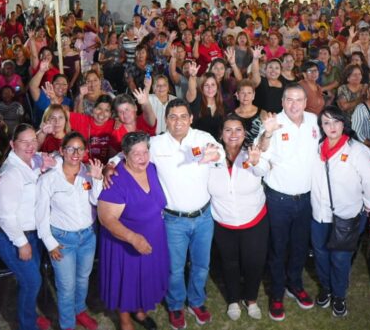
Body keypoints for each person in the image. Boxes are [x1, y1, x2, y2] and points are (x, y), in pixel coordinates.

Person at [115, 99, 223, 329]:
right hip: (173, 220)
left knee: (201, 264)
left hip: (204, 217)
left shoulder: (203, 138)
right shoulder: (156, 143)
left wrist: (214, 155)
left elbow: (220, 154)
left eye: (183, 116)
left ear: (191, 118)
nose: (178, 121)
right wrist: (108, 167)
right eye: (173, 117)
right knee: (174, 268)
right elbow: (129, 154)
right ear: (166, 119)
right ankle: (175, 306)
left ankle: (196, 301)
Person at [254, 84, 321, 321]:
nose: (294, 105)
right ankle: (276, 294)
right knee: (278, 248)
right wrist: (268, 134)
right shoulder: (272, 124)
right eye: (289, 100)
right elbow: (259, 154)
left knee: (301, 247)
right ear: (282, 102)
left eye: (299, 100)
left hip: (306, 199)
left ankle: (295, 284)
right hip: (278, 199)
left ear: (305, 102)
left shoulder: (314, 121)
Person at [311, 106, 370, 318]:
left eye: (336, 121)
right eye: (326, 122)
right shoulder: (316, 148)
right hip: (319, 214)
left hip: (347, 215)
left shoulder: (357, 149)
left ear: (344, 123)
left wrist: (368, 206)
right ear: (321, 127)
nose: (331, 127)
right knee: (321, 254)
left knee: (340, 258)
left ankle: (339, 295)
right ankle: (326, 287)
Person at [98, 131, 169, 330]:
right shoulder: (116, 180)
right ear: (125, 154)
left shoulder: (153, 169)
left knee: (145, 278)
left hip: (154, 236)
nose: (142, 157)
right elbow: (106, 218)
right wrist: (133, 238)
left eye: (145, 152)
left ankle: (139, 310)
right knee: (125, 282)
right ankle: (125, 321)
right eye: (136, 153)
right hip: (124, 244)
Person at [36, 132, 103, 330]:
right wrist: (50, 243)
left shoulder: (87, 172)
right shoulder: (48, 179)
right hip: (62, 239)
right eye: (70, 148)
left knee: (83, 279)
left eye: (80, 149)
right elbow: (41, 215)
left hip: (88, 236)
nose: (75, 153)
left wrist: (97, 179)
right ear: (61, 151)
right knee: (66, 286)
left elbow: (97, 202)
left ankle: (80, 310)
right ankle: (67, 324)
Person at [0, 124, 55, 330]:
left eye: (33, 141)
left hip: (33, 233)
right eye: (24, 142)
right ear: (12, 144)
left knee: (31, 280)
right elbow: (5, 216)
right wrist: (21, 243)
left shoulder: (32, 161)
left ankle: (29, 314)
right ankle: (28, 325)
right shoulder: (11, 173)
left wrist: (47, 165)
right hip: (14, 238)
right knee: (32, 282)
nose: (30, 146)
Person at [208, 115, 268, 321]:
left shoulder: (253, 153)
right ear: (221, 134)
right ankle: (233, 299)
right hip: (224, 223)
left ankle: (251, 299)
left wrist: (255, 162)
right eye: (228, 130)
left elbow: (264, 169)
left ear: (245, 133)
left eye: (238, 130)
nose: (233, 134)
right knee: (229, 262)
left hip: (254, 221)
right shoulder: (211, 156)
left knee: (254, 262)